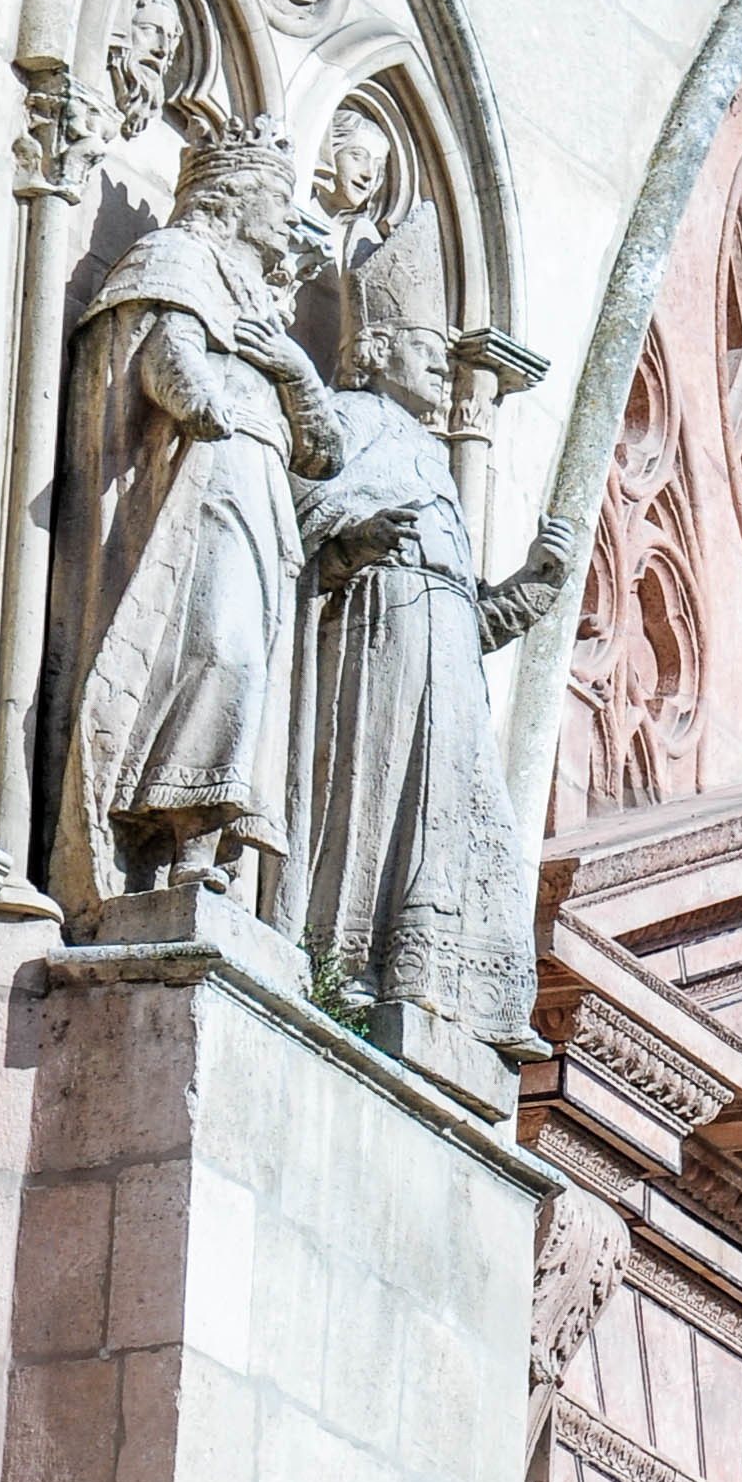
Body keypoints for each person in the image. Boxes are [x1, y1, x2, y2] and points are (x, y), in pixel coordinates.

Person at [242, 208, 572, 1075]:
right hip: (373, 637)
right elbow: (297, 524)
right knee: (374, 790)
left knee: (454, 811)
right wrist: (354, 545)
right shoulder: (353, 418)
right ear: (378, 348)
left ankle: (442, 982)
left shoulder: (433, 459)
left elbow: (469, 614)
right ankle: (348, 962)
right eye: (426, 347)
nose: (440, 364)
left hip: (445, 661)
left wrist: (531, 586)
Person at [38, 122, 338, 924]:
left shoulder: (266, 311)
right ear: (230, 198)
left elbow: (326, 453)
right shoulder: (179, 258)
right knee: (217, 650)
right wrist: (198, 399)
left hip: (262, 492)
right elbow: (163, 347)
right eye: (277, 198)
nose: (289, 218)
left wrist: (295, 373)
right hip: (204, 477)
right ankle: (154, 828)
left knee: (250, 668)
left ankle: (196, 855)